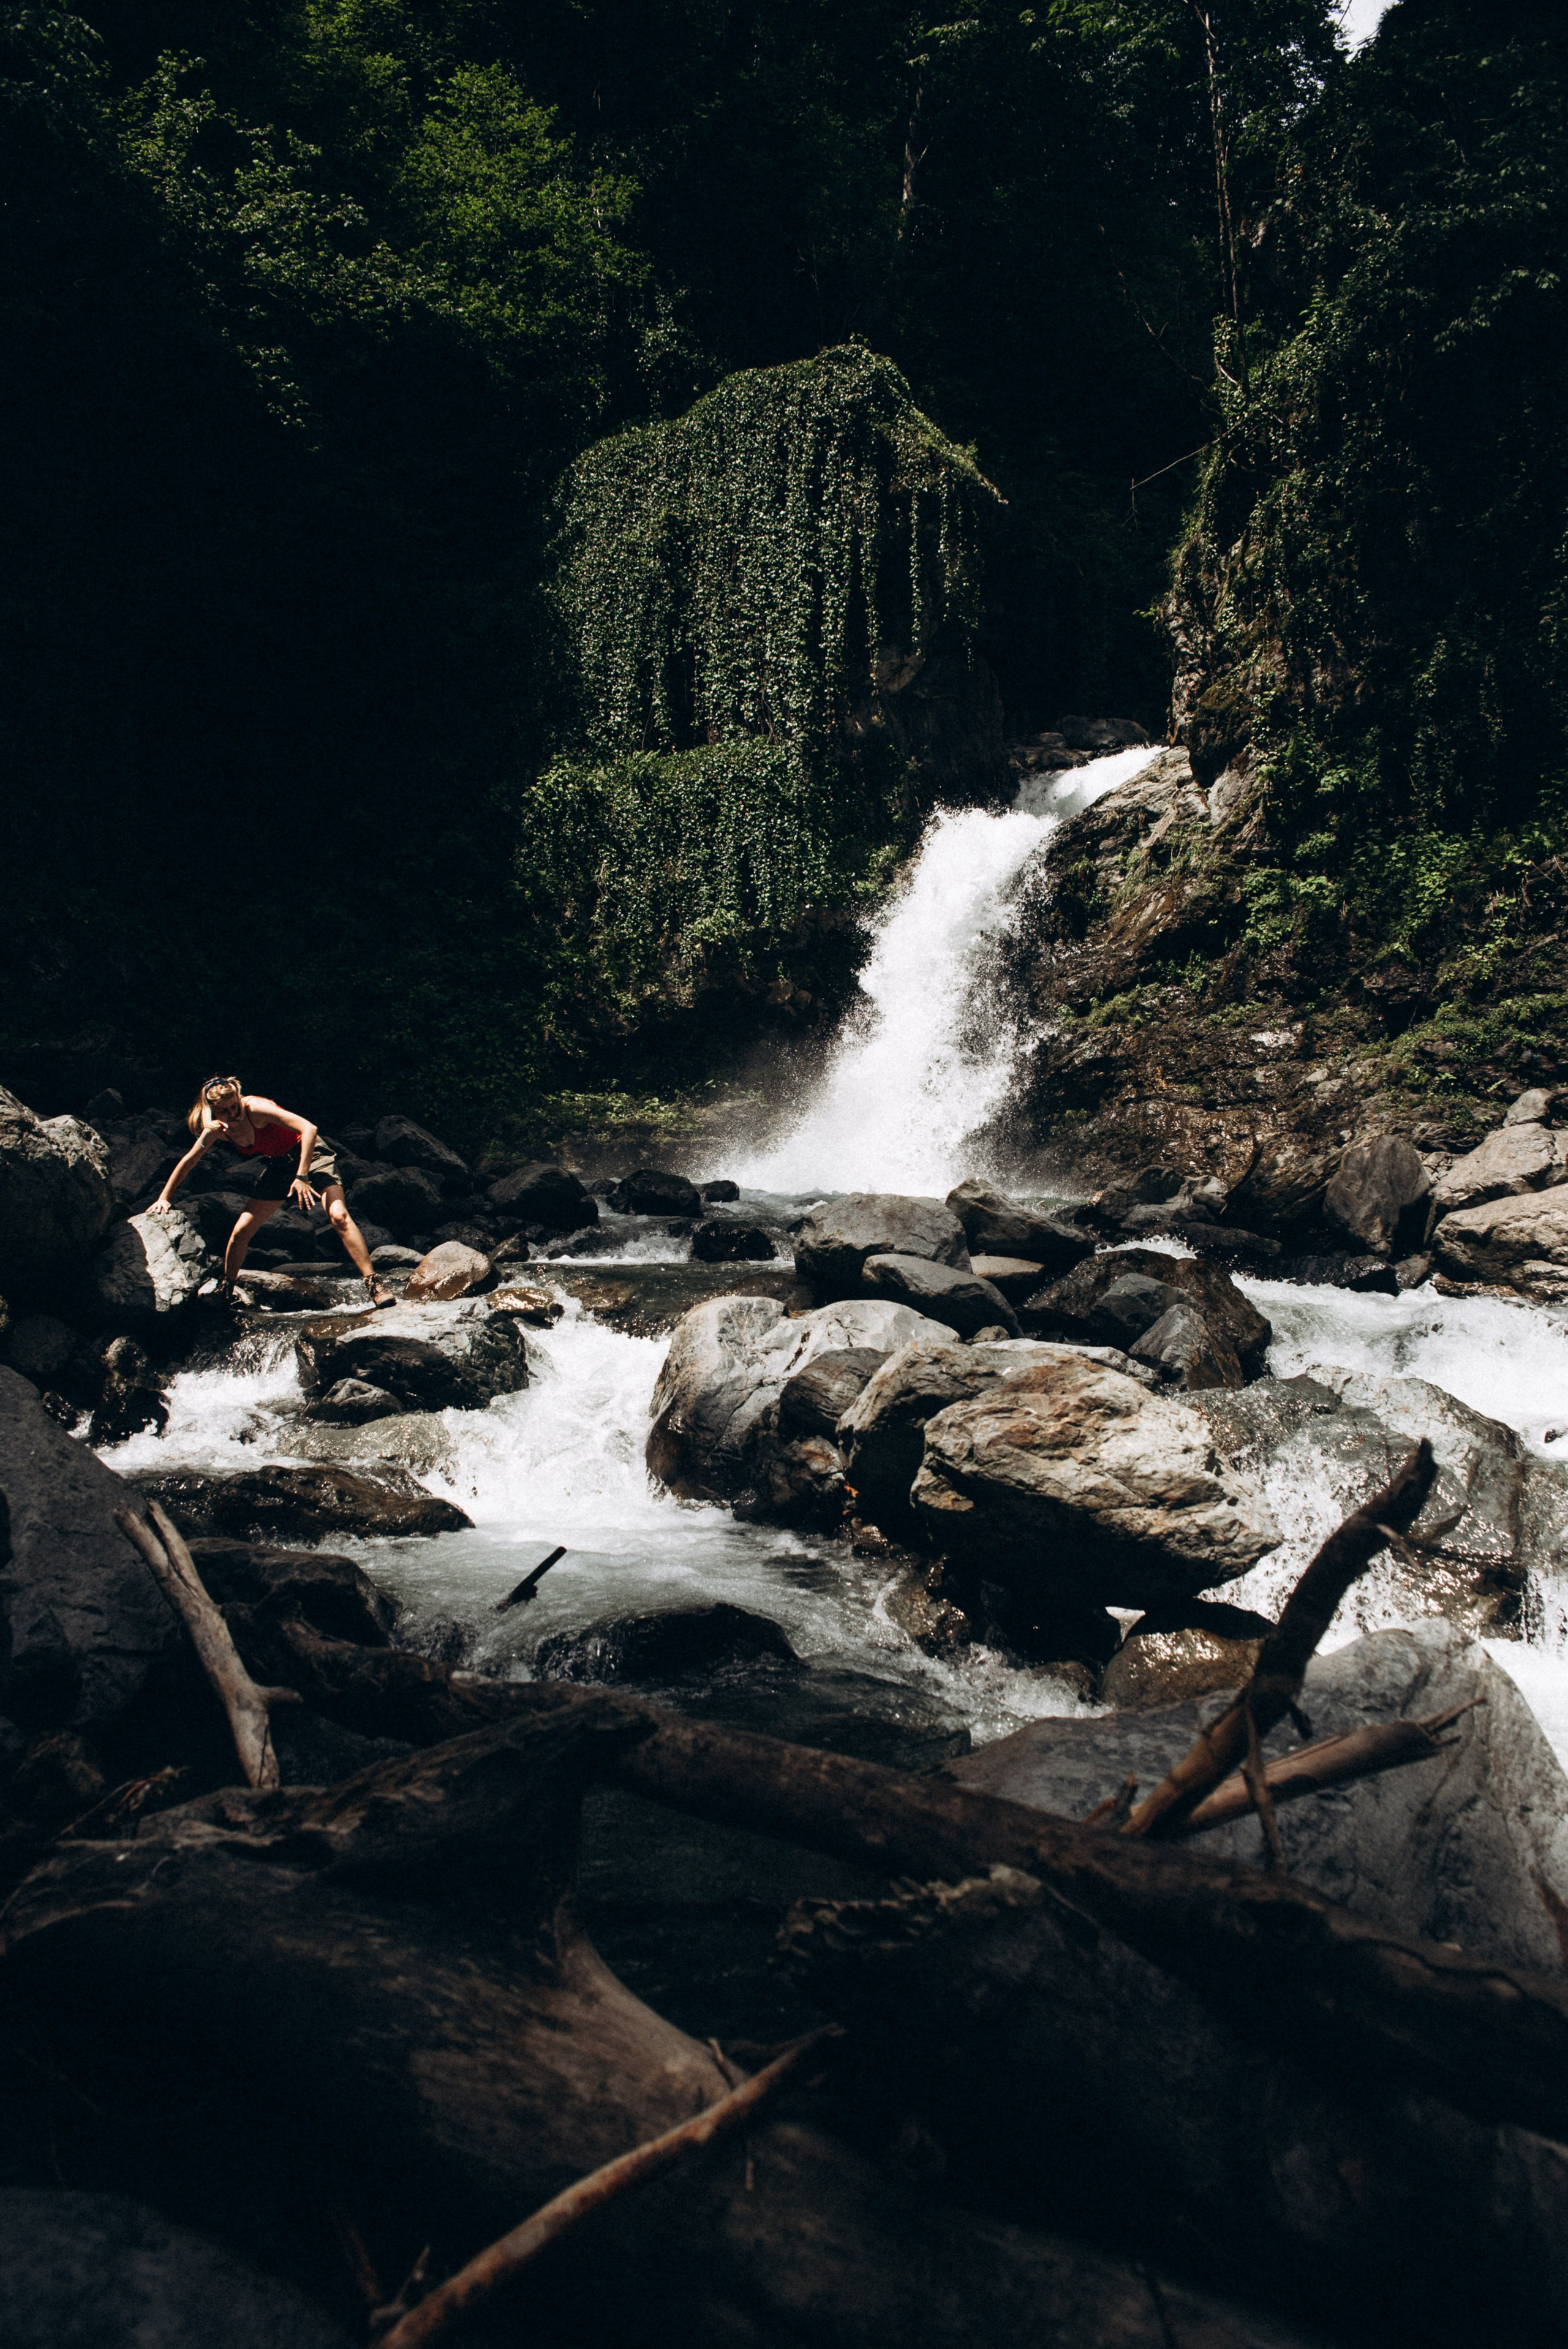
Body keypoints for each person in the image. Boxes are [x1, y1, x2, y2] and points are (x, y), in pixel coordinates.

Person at [149, 1074, 394, 1306]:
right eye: (224, 1110)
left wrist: (302, 1175)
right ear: (212, 1109)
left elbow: (309, 1128)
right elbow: (189, 1161)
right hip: (279, 1166)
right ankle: (226, 1290)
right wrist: (164, 1198)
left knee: (338, 1216)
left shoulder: (255, 1109)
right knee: (240, 1233)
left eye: (234, 1106)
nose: (233, 1113)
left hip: (311, 1156)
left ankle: (375, 1285)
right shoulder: (215, 1130)